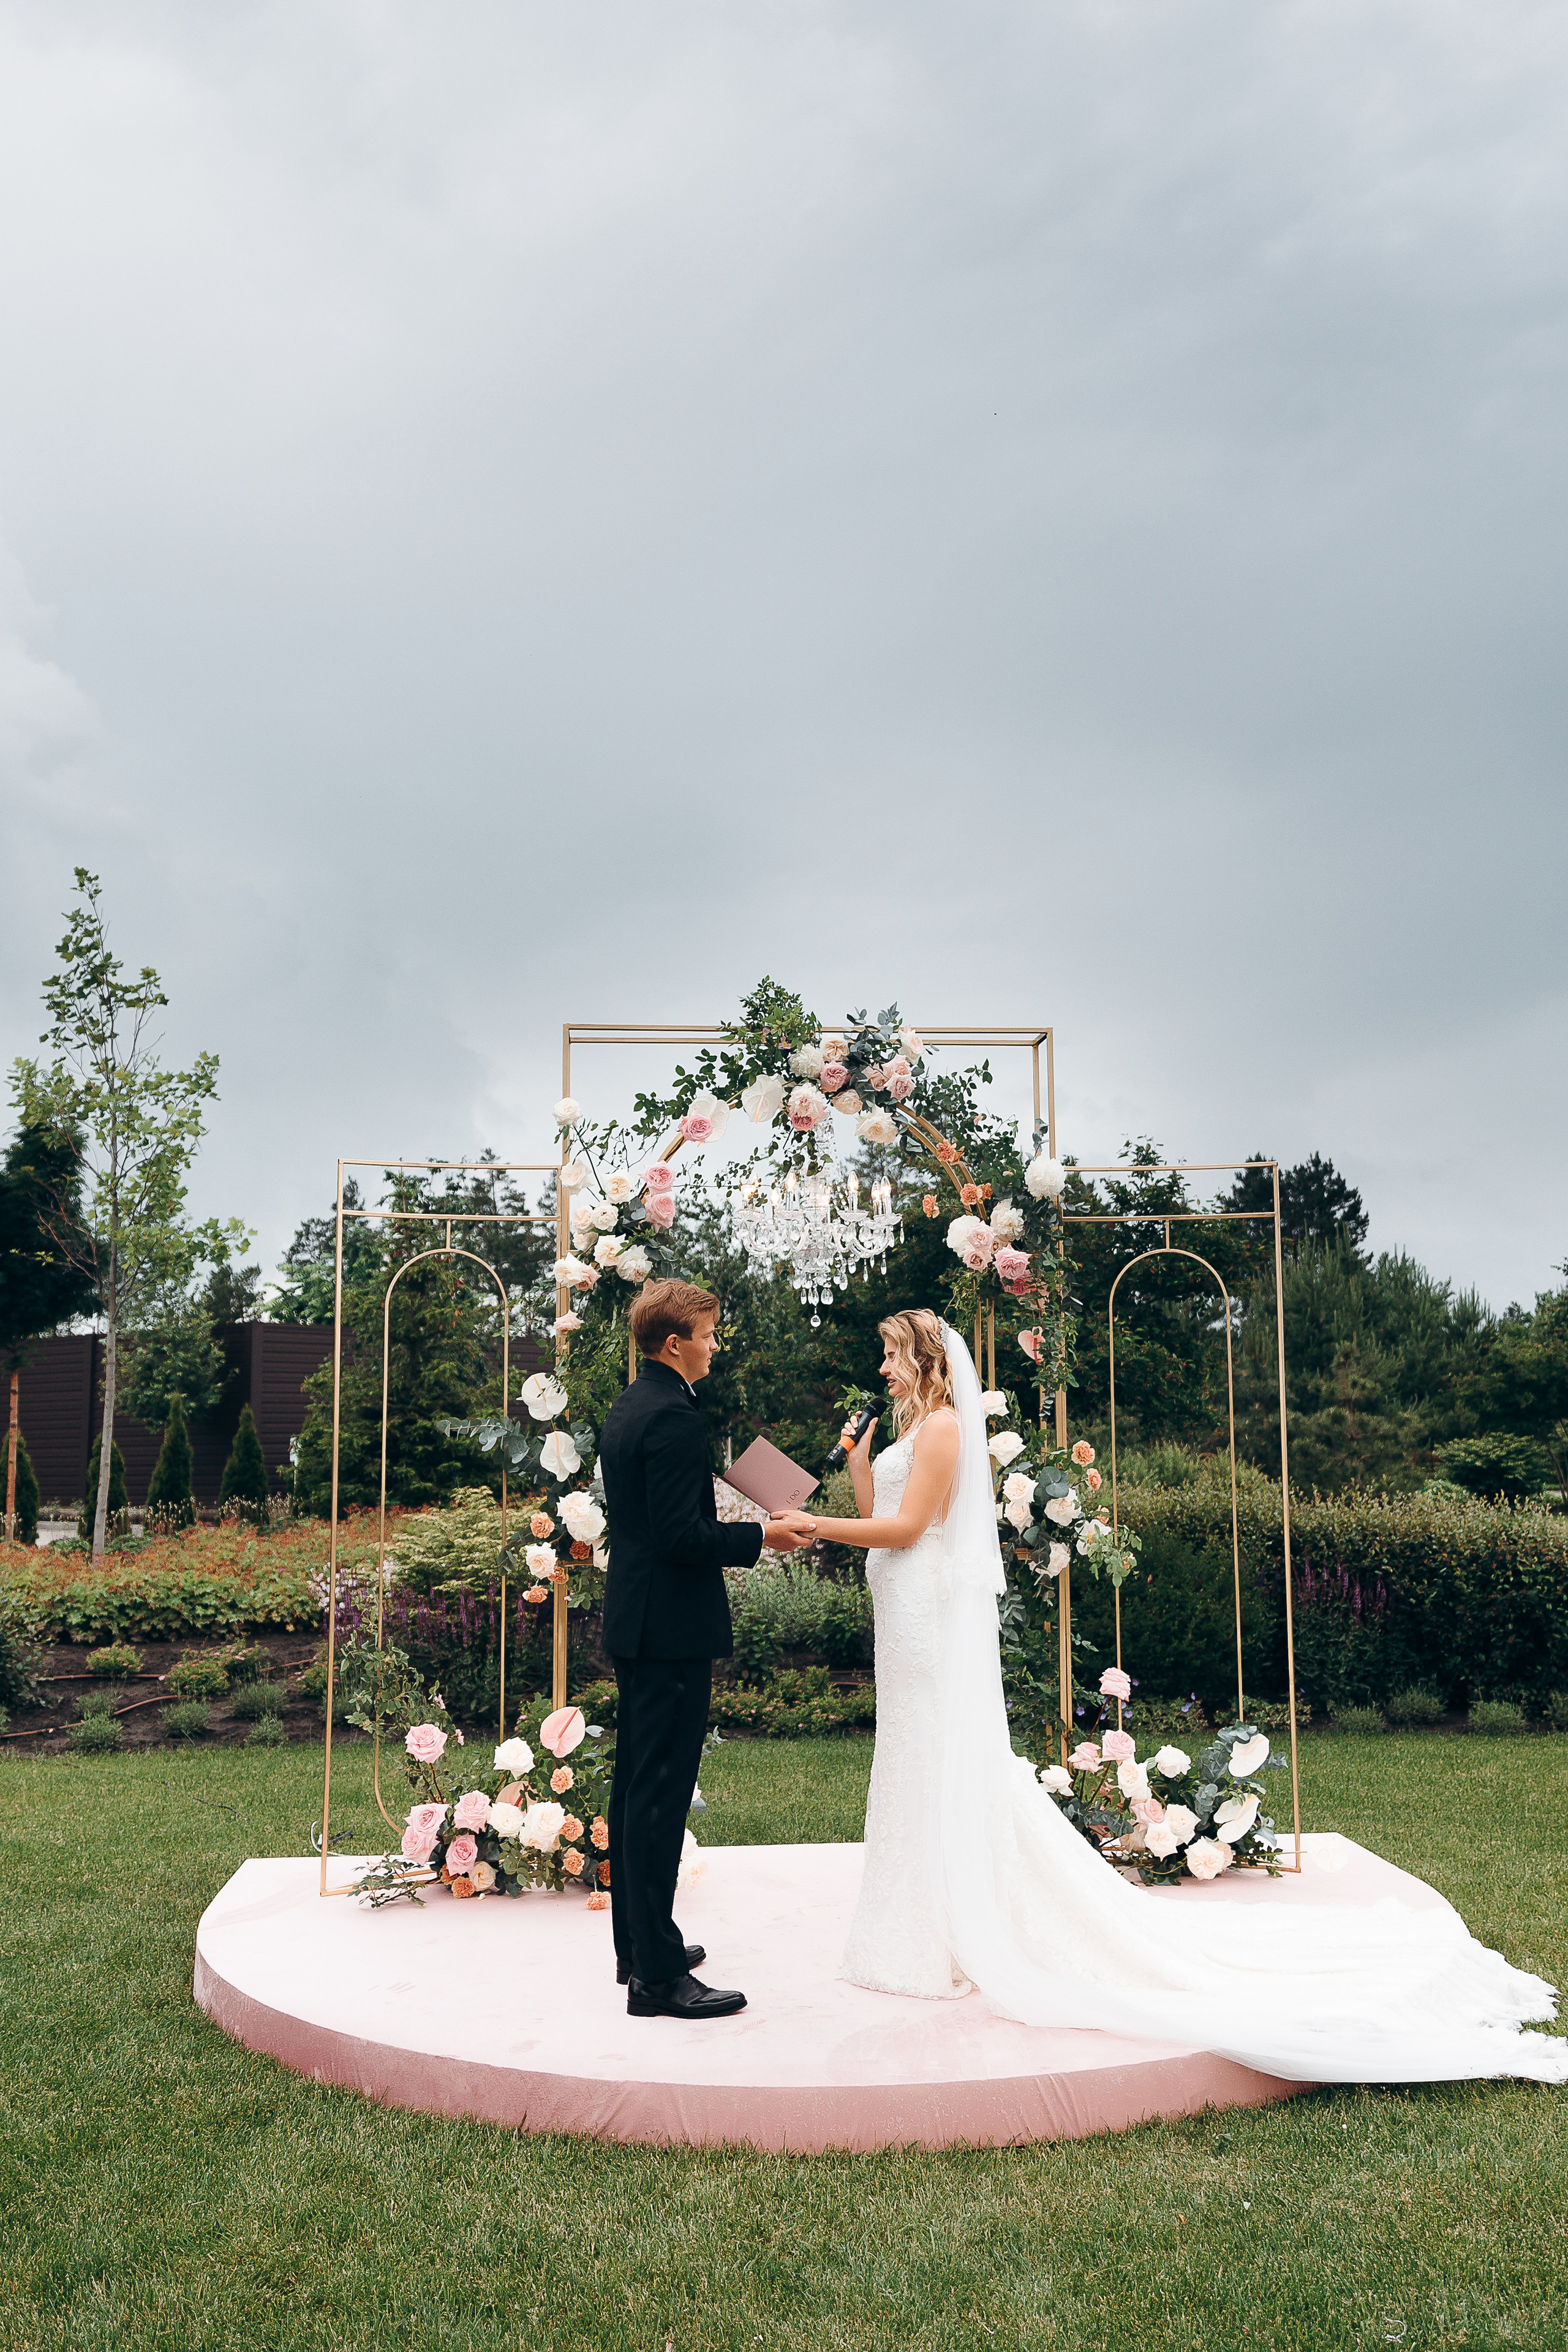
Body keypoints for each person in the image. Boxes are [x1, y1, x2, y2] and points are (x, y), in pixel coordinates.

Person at [799, 1308, 1568, 2086]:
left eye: (893, 1356)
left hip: (924, 1617)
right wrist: (859, 1465)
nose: (884, 1371)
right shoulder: (910, 1431)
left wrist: (811, 1521)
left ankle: (952, 1925)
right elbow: (882, 1517)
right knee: (910, 1759)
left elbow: (905, 1532)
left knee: (935, 1756)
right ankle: (914, 1925)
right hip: (898, 1614)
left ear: (927, 1359)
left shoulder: (943, 1432)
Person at [599, 1276, 815, 2021]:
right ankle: (656, 1980)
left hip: (638, 1622)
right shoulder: (674, 1420)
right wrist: (764, 1535)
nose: (714, 1346)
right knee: (657, 1799)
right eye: (709, 1335)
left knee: (635, 1788)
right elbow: (679, 1537)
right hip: (669, 1631)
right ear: (673, 1343)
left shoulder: (633, 1407)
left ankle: (639, 1944)